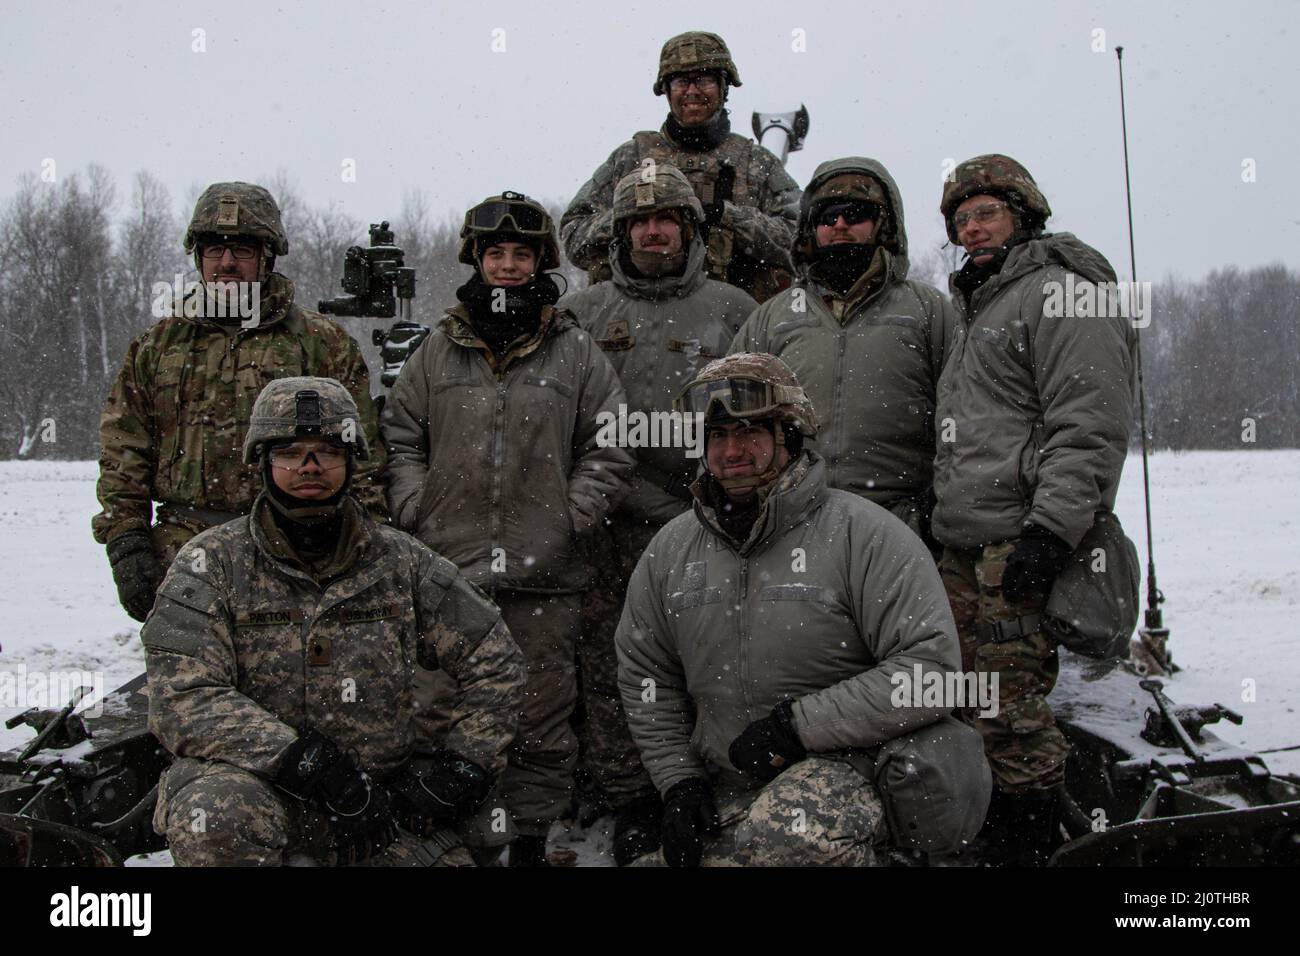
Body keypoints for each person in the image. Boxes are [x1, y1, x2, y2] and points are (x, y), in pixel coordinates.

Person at [615, 353, 988, 866]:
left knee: (788, 844)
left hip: (852, 765)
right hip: (729, 780)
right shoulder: (671, 549)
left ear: (789, 435)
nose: (732, 451)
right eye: (717, 436)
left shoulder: (867, 535)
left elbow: (930, 671)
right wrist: (677, 782)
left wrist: (797, 726)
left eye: (749, 432)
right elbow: (645, 673)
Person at [142, 377, 524, 866]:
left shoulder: (400, 561)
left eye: (327, 451)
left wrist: (464, 765)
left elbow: (495, 660)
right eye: (290, 452)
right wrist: (303, 760)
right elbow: (182, 695)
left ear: (350, 461)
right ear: (262, 460)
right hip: (258, 791)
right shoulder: (212, 562)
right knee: (216, 816)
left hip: (375, 805)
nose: (309, 466)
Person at [383, 192, 634, 866]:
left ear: (540, 263)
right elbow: (401, 440)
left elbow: (610, 443)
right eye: (496, 252)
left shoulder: (575, 351)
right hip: (449, 575)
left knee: (539, 720)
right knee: (440, 710)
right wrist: (415, 509)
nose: (508, 264)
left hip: (543, 576)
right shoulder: (438, 349)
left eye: (522, 254)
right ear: (477, 259)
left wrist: (572, 516)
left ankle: (526, 840)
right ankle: (456, 838)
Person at [933, 154, 1134, 864]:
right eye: (961, 219)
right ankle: (989, 836)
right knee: (965, 703)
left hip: (1015, 543)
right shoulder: (977, 303)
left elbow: (1091, 424)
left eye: (986, 212)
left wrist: (1052, 530)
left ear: (1024, 214)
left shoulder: (1060, 292)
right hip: (963, 544)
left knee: (1011, 717)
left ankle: (1027, 849)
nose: (973, 228)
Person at [558, 163, 756, 863]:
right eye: (638, 221)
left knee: (702, 658)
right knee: (610, 661)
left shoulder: (732, 309)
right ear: (619, 233)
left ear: (689, 228)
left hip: (698, 519)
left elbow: (756, 418)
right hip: (605, 524)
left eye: (666, 218)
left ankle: (698, 783)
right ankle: (628, 795)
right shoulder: (584, 312)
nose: (652, 230)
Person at [94, 181, 386, 624]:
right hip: (183, 548)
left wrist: (367, 541)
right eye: (214, 249)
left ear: (267, 256)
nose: (227, 262)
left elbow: (362, 452)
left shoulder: (319, 343)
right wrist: (126, 540)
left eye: (242, 249)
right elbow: (123, 451)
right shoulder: (158, 346)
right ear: (198, 257)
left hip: (297, 549)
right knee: (189, 685)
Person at [731, 158, 955, 546]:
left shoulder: (930, 312)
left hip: (901, 527)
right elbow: (729, 416)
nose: (839, 225)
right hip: (790, 527)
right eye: (826, 216)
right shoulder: (770, 318)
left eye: (855, 213)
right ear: (810, 229)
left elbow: (965, 415)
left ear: (882, 224)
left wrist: (941, 505)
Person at [560, 31, 800, 303]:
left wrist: (727, 216)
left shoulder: (757, 163)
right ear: (666, 90)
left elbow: (802, 241)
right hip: (635, 324)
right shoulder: (629, 159)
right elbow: (573, 236)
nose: (692, 91)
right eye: (681, 81)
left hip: (733, 325)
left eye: (705, 80)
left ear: (724, 88)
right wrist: (631, 217)